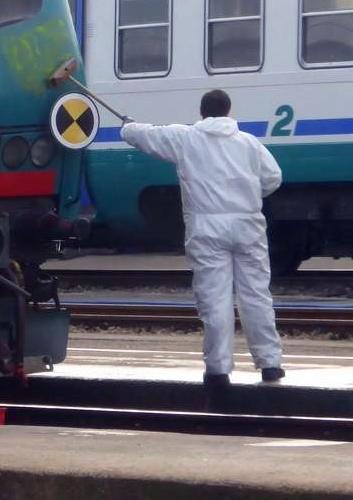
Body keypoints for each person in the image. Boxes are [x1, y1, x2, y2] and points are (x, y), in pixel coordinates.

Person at [120, 89, 284, 388]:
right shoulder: (249, 142)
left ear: (201, 111)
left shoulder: (186, 139)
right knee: (256, 294)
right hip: (248, 225)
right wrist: (247, 194)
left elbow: (147, 135)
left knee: (215, 297)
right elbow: (273, 177)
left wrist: (128, 126)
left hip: (207, 228)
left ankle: (218, 369)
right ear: (229, 111)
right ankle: (270, 363)